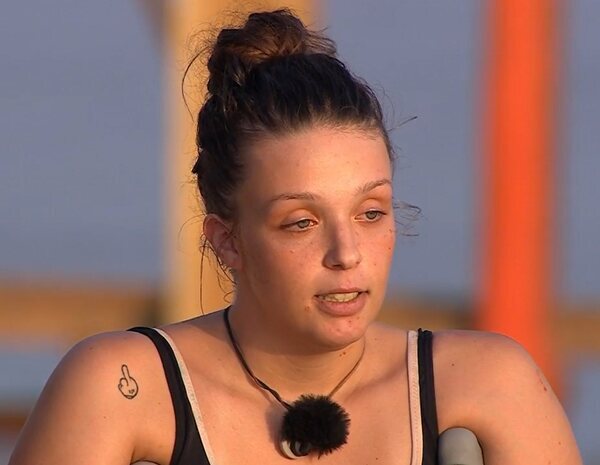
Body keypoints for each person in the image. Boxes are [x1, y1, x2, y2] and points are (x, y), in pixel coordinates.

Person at [9, 9, 581, 465]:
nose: (346, 254)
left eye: (371, 213)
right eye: (301, 223)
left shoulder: (485, 387)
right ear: (227, 240)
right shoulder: (123, 389)